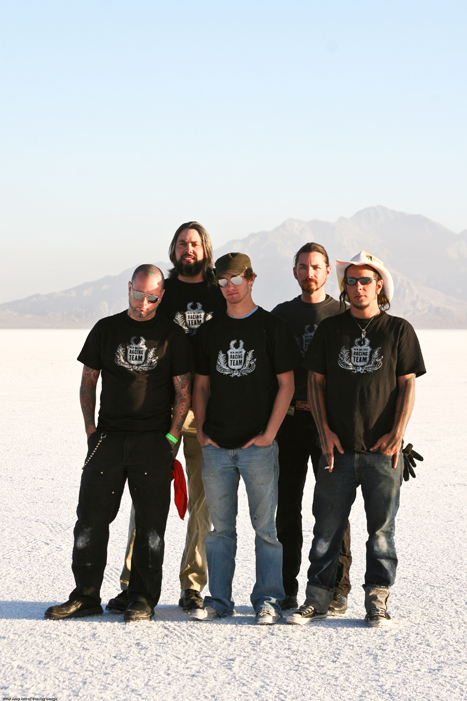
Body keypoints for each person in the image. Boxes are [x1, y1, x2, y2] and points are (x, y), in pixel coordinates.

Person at [45, 265, 191, 622]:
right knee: (90, 521)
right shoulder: (106, 329)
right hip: (107, 439)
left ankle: (142, 598)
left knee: (151, 525)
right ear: (129, 288)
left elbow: (183, 391)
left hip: (152, 442)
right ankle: (85, 596)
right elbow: (87, 383)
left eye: (152, 297)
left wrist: (171, 436)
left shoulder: (173, 335)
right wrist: (91, 430)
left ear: (161, 295)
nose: (143, 304)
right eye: (138, 294)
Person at [287, 250, 426, 627]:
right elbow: (315, 382)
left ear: (379, 285)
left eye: (366, 281)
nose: (359, 287)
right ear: (344, 287)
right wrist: (324, 432)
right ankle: (316, 600)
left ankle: (377, 601)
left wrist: (398, 433)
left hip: (383, 452)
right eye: (352, 281)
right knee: (325, 531)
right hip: (338, 450)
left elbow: (406, 385)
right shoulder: (332, 330)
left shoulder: (398, 330)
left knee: (381, 533)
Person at [106, 222, 226, 615]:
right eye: (181, 243)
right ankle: (131, 582)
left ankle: (192, 585)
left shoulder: (217, 291)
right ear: (173, 250)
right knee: (145, 498)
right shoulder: (164, 290)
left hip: (206, 407)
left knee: (201, 501)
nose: (187, 249)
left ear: (205, 248)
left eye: (194, 243)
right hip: (162, 407)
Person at [191, 252, 302, 625]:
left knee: (266, 530)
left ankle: (267, 599)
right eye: (222, 282)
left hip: (258, 447)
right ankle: (219, 600)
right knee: (220, 530)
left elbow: (286, 384)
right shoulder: (209, 331)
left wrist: (269, 434)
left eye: (236, 280)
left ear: (251, 278)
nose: (229, 288)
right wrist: (202, 430)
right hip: (217, 448)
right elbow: (202, 385)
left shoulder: (272, 327)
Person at [272, 243, 350, 614]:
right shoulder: (281, 315)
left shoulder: (342, 313)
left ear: (327, 271)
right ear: (294, 272)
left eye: (316, 266)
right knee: (286, 509)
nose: (309, 273)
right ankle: (286, 588)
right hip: (288, 425)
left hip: (330, 426)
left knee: (334, 509)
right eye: (302, 266)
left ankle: (337, 587)